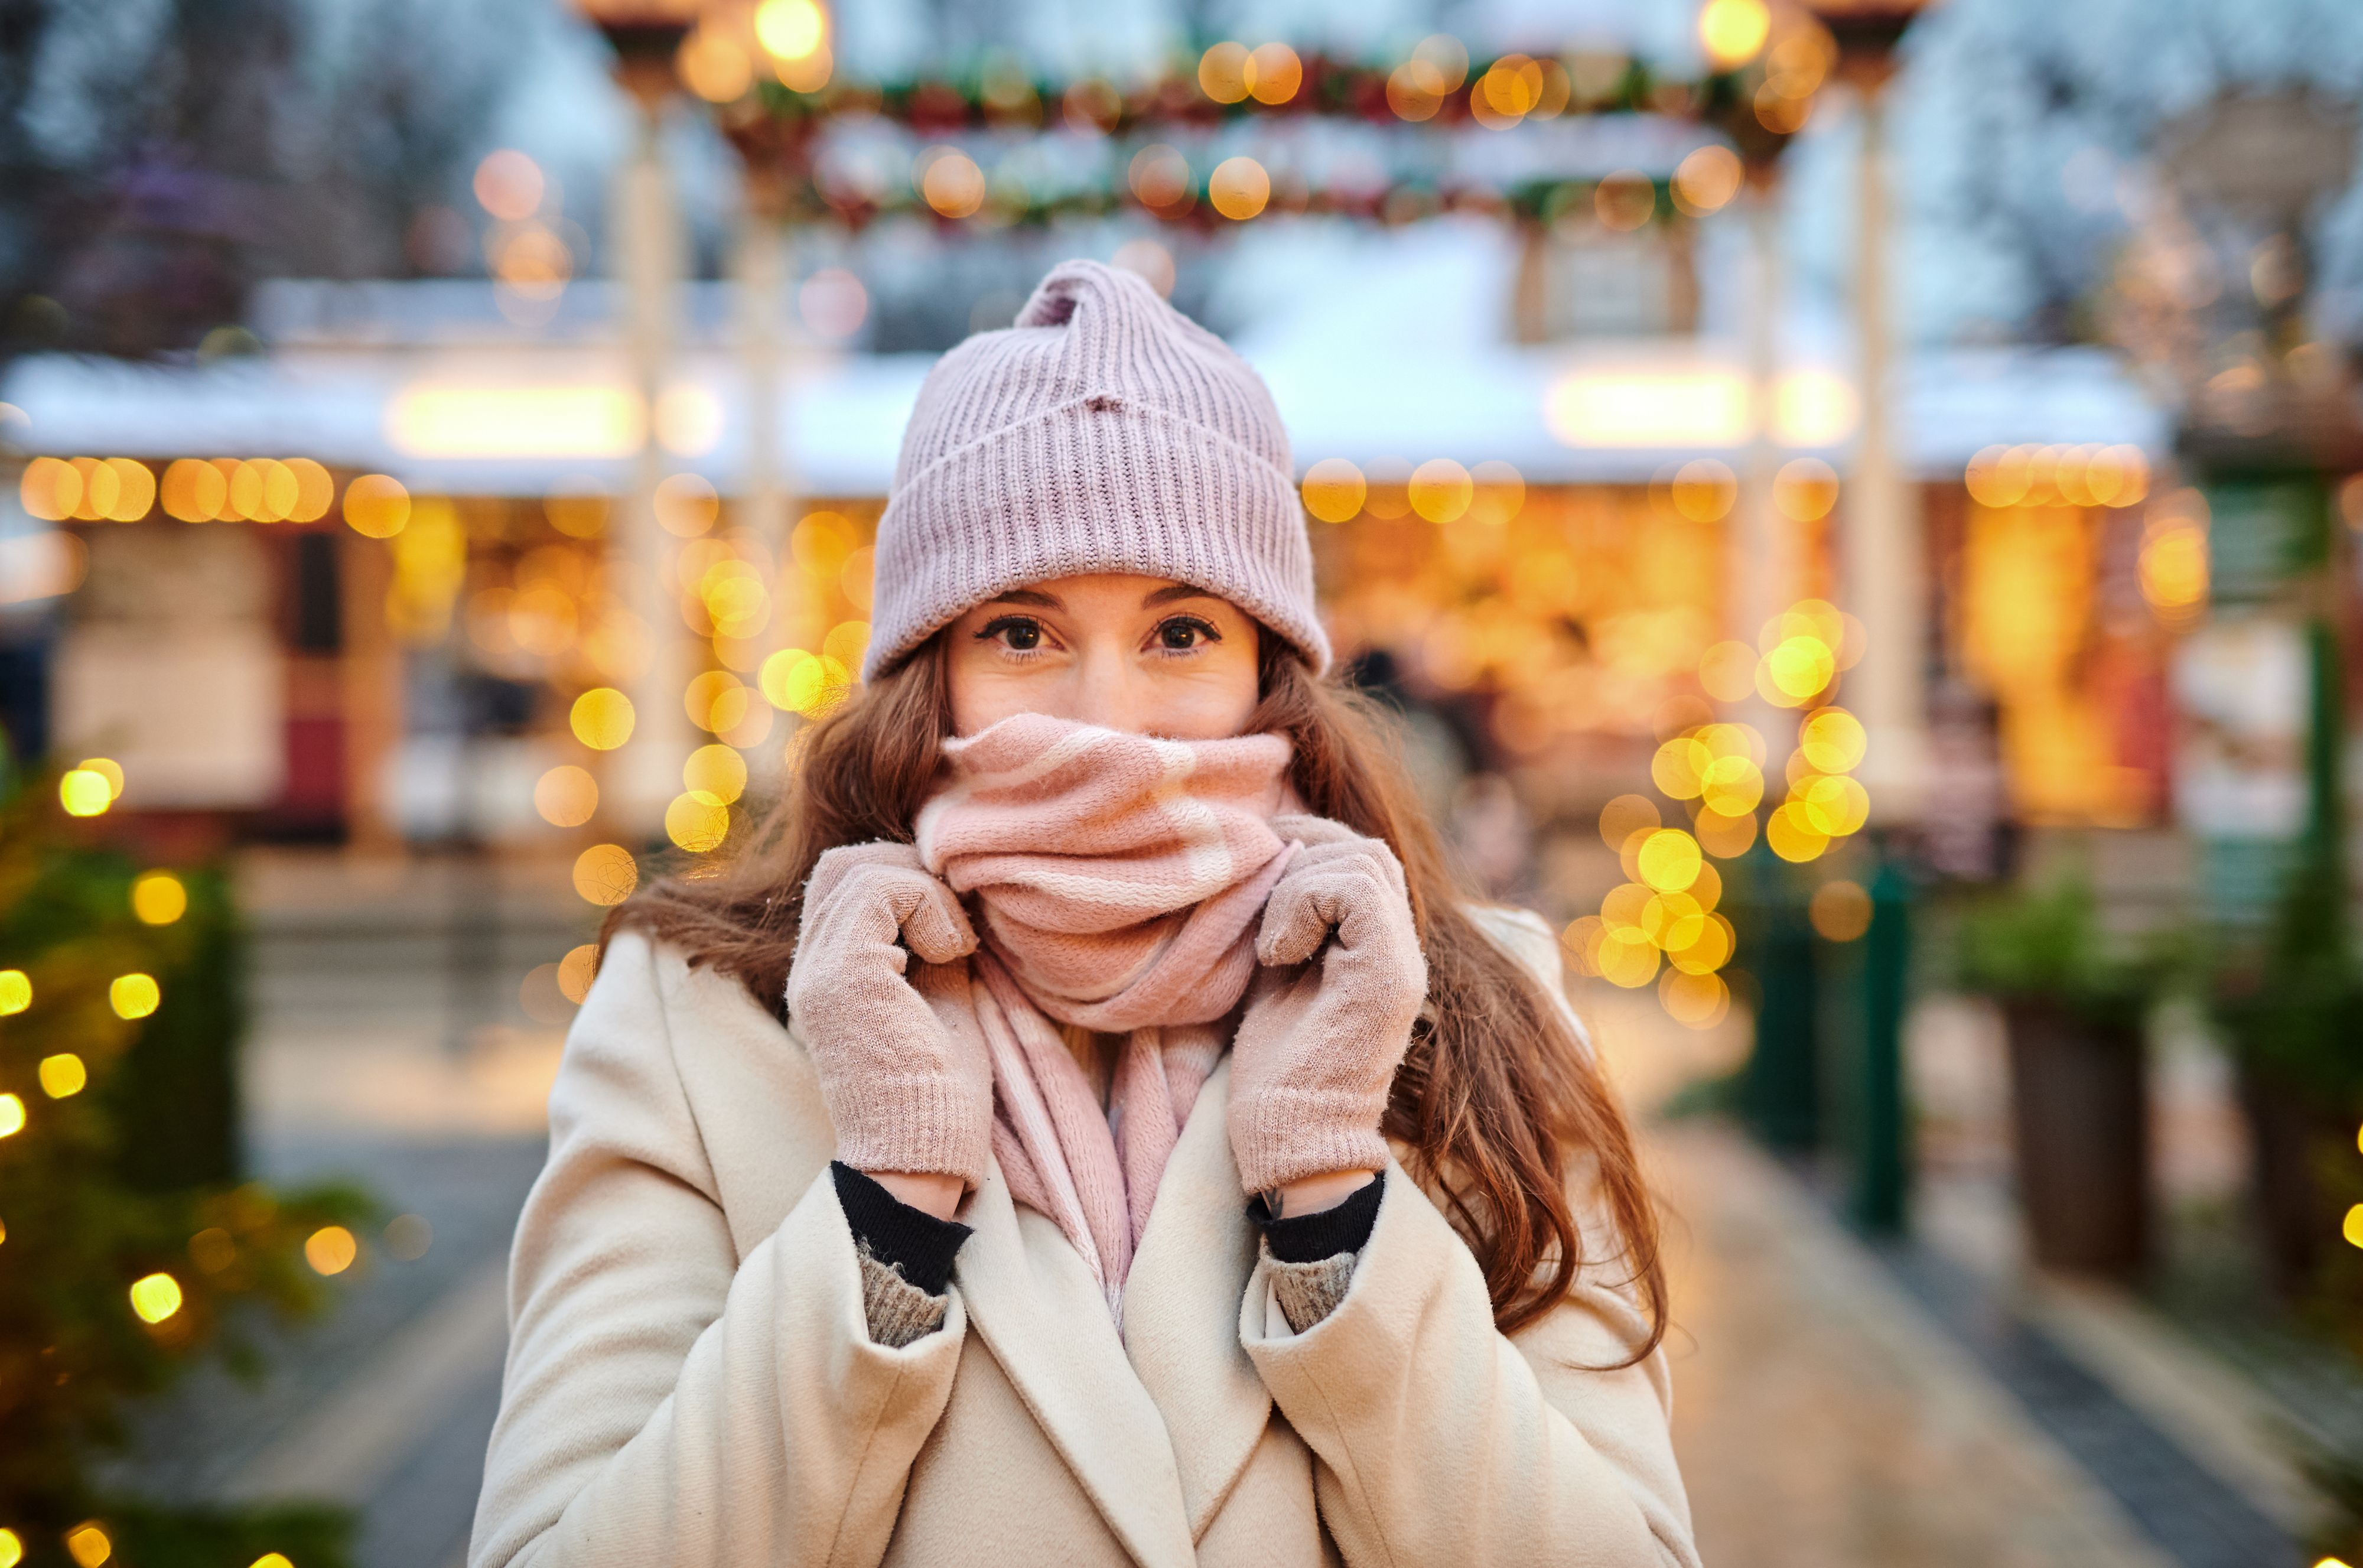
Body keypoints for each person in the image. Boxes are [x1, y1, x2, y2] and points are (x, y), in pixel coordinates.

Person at [469, 260, 1698, 1568]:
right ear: (925, 671)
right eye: (1021, 632)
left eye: (1178, 633)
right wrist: (884, 1203)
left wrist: (1333, 1197)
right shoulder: (698, 1020)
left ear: (1267, 675)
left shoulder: (1469, 1003)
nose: (1105, 717)